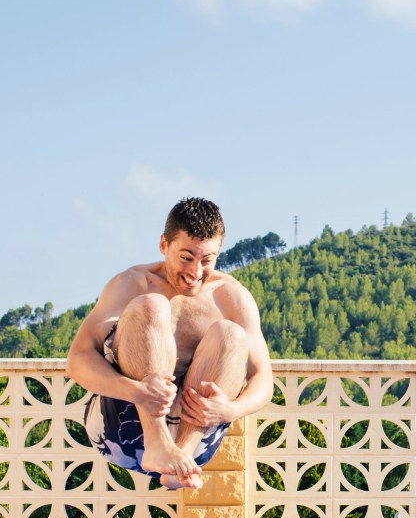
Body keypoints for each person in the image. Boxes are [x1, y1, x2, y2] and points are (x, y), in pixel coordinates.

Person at [67, 197, 273, 489]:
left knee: (231, 334)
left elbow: (263, 379)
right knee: (152, 306)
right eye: (186, 257)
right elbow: (78, 360)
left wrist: (231, 411)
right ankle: (157, 443)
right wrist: (137, 392)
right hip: (122, 429)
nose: (195, 272)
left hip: (194, 443)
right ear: (164, 245)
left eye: (207, 260)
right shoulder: (132, 283)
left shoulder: (231, 296)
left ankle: (180, 463)